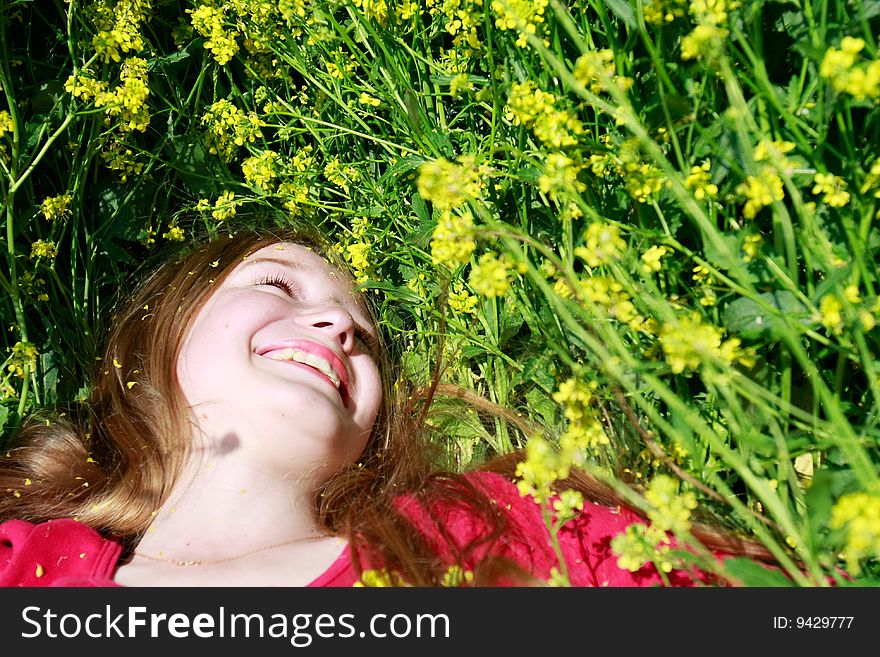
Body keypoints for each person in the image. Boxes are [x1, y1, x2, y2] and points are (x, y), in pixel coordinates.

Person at [0, 222, 768, 587]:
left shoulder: (494, 522)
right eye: (276, 285)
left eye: (362, 334)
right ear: (157, 336)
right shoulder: (23, 563)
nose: (340, 325)